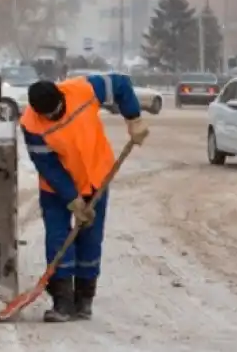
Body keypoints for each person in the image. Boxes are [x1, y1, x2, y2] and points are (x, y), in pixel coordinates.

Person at [20, 73, 149, 323]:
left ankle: (84, 300)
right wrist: (72, 198)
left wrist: (134, 118)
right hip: (56, 190)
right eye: (48, 115)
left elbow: (121, 84)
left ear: (61, 96)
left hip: (95, 178)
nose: (54, 117)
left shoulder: (82, 90)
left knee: (90, 237)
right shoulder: (31, 125)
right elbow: (49, 166)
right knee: (59, 238)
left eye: (57, 110)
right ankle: (62, 301)